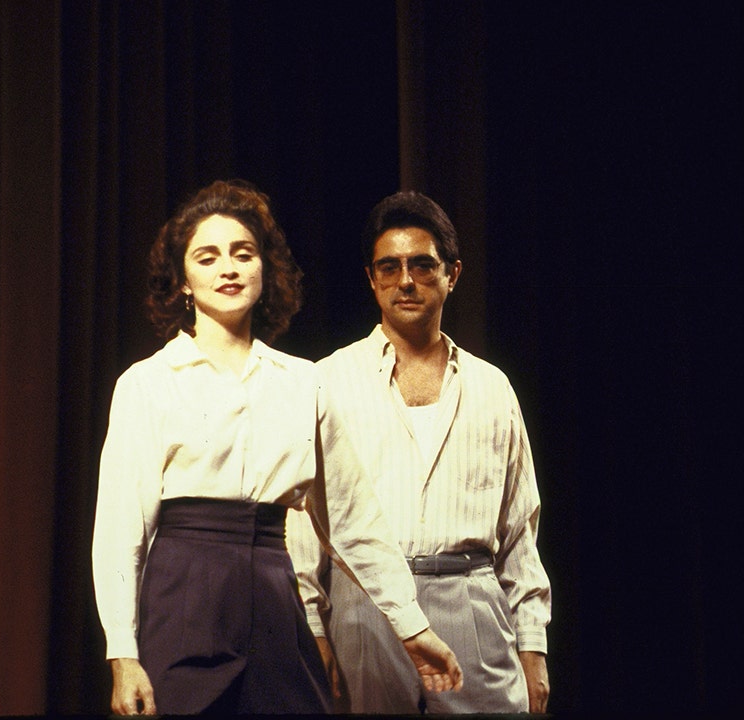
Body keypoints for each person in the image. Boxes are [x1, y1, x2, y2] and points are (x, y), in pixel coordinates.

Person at [91, 180, 463, 716]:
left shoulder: (302, 383)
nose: (229, 268)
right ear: (184, 281)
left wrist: (412, 626)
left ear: (265, 271)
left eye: (244, 254)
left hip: (271, 596)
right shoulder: (147, 384)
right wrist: (122, 654)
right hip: (182, 595)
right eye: (208, 256)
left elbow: (354, 521)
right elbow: (120, 531)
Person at [290, 190, 551, 714]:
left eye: (422, 265)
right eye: (389, 267)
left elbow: (520, 528)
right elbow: (303, 524)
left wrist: (533, 644)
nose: (405, 281)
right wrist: (315, 629)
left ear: (452, 274)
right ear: (371, 278)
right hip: (365, 613)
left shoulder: (492, 387)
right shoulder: (328, 381)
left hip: (471, 604)